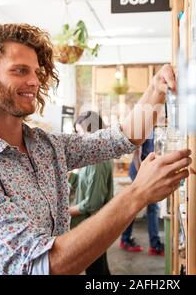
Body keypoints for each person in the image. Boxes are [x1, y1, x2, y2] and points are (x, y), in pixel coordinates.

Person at [0, 12, 191, 275]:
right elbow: (40, 267)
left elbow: (122, 137)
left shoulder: (45, 146)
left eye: (36, 72)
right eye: (20, 71)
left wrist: (156, 89)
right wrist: (137, 193)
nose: (34, 81)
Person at [68, 111, 113, 275]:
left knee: (97, 271)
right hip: (90, 225)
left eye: (81, 133)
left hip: (93, 225)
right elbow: (81, 181)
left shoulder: (97, 160)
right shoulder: (91, 155)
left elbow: (92, 203)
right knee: (97, 268)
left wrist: (66, 211)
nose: (79, 138)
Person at [120, 134, 165, 256]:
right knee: (151, 208)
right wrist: (143, 178)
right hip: (139, 171)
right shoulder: (145, 127)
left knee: (140, 207)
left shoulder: (152, 128)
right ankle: (154, 245)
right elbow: (136, 156)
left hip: (144, 172)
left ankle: (125, 239)